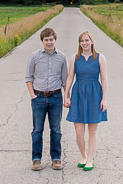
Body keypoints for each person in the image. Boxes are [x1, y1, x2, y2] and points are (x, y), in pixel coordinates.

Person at [64, 31, 108, 171]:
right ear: (79, 43)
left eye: (87, 40)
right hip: (78, 94)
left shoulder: (100, 58)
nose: (84, 43)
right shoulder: (75, 57)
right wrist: (66, 95)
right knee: (78, 131)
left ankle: (90, 159)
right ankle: (83, 156)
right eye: (82, 41)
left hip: (95, 94)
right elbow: (70, 77)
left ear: (92, 41)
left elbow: (104, 79)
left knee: (92, 130)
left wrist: (104, 99)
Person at [25, 27, 68, 171]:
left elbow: (64, 80)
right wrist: (32, 95)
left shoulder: (61, 57)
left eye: (51, 39)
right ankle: (36, 159)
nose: (49, 42)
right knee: (37, 129)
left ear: (55, 40)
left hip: (56, 97)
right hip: (38, 97)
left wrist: (67, 97)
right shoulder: (34, 56)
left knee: (56, 129)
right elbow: (28, 78)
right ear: (42, 41)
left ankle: (56, 158)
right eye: (46, 40)